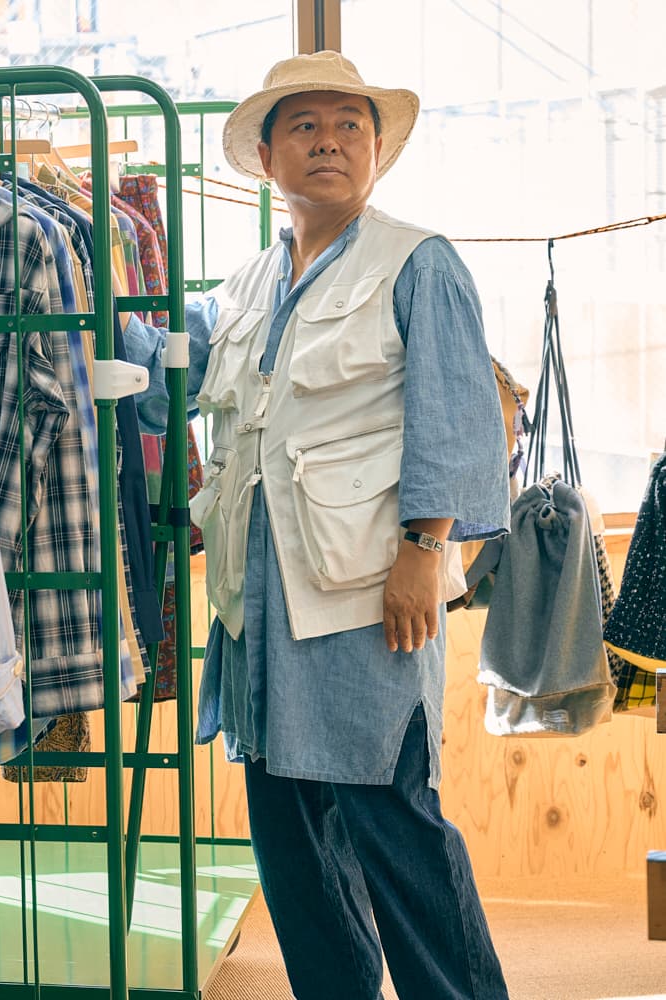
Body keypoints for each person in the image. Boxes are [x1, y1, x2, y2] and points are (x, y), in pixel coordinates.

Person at [123, 51, 512, 999]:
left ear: (377, 150)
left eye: (349, 126)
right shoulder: (244, 286)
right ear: (266, 156)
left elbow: (455, 416)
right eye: (305, 126)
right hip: (257, 608)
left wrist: (425, 551)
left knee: (394, 821)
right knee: (291, 839)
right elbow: (161, 383)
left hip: (364, 598)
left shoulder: (419, 262)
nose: (329, 142)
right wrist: (77, 305)